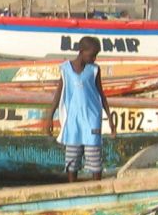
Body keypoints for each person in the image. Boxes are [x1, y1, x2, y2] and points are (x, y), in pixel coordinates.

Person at [43, 35, 113, 181]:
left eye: (95, 56)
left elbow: (101, 94)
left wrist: (110, 119)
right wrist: (49, 117)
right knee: (72, 160)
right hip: (73, 120)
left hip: (92, 118)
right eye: (92, 55)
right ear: (81, 51)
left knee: (94, 158)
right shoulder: (66, 69)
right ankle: (72, 188)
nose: (94, 59)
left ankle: (97, 187)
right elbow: (58, 95)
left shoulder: (94, 70)